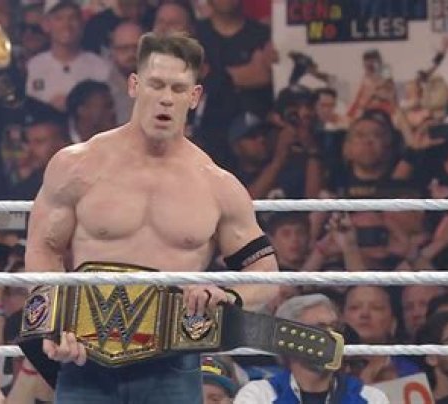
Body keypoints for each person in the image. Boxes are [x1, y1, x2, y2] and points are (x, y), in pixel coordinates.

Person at [24, 32, 279, 403]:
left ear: (195, 96)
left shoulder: (217, 185)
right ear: (134, 85)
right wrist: (54, 321)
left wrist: (228, 296)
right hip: (86, 359)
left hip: (172, 363)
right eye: (156, 84)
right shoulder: (78, 165)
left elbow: (265, 273)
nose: (166, 98)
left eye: (178, 88)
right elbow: (43, 247)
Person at [234, 294, 388, 403]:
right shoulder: (259, 396)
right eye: (320, 329)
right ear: (288, 338)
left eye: (335, 328)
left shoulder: (370, 398)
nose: (332, 337)